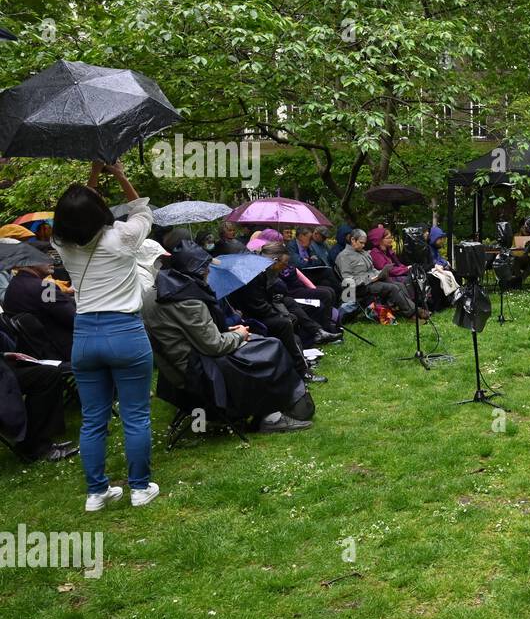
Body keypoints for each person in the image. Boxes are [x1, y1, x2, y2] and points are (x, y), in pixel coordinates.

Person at [53, 161, 159, 511]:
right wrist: (119, 174)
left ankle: (96, 493)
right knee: (136, 415)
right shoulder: (123, 237)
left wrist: (93, 175)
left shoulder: (61, 244)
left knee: (92, 419)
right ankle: (140, 489)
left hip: (85, 337)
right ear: (100, 210)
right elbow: (142, 210)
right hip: (125, 332)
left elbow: (79, 214)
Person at [143, 242, 311, 433]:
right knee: (271, 348)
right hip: (197, 369)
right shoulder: (187, 300)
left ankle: (270, 410)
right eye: (206, 268)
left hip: (176, 366)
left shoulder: (156, 293)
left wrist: (228, 331)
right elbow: (215, 346)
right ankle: (271, 416)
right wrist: (238, 334)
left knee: (259, 342)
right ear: (196, 272)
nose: (209, 272)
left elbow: (188, 332)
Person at [226, 249, 329, 384]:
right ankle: (302, 371)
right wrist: (280, 315)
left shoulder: (264, 274)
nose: (285, 267)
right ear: (275, 261)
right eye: (284, 263)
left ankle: (313, 340)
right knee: (285, 324)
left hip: (255, 313)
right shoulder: (254, 277)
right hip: (250, 319)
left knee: (290, 315)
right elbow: (258, 306)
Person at [335, 228, 427, 319]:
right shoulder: (344, 256)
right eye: (361, 243)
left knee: (400, 285)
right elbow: (348, 280)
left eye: (364, 243)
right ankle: (412, 314)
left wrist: (380, 273)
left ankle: (413, 309)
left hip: (372, 282)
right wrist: (370, 279)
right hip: (360, 287)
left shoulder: (363, 253)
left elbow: (372, 269)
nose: (363, 246)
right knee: (393, 288)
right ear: (352, 240)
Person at [1, 259, 76, 359]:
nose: (51, 262)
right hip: (64, 350)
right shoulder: (45, 288)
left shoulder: (13, 285)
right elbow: (74, 319)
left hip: (34, 351)